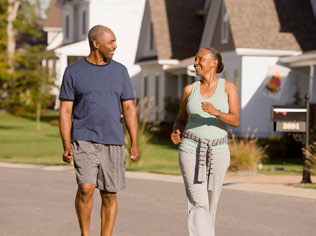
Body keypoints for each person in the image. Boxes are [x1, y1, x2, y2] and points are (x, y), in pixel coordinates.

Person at [59, 25, 140, 236]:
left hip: (113, 139)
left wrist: (135, 143)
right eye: (111, 42)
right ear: (96, 44)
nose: (115, 46)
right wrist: (66, 144)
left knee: (109, 194)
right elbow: (66, 111)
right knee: (86, 188)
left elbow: (129, 107)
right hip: (83, 138)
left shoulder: (120, 71)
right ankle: (85, 234)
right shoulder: (73, 72)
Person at [171, 48, 240, 236]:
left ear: (213, 63)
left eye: (200, 59)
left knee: (211, 203)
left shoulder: (228, 88)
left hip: (218, 150)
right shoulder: (189, 90)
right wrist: (177, 130)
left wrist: (217, 112)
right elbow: (180, 119)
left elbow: (235, 120)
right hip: (190, 148)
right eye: (195, 59)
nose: (195, 63)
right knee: (197, 202)